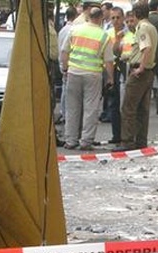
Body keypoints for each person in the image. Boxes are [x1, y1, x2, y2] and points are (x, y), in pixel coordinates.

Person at [61, 7, 114, 151]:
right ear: (100, 18)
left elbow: (64, 51)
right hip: (93, 75)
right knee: (91, 108)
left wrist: (65, 68)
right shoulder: (103, 36)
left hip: (74, 73)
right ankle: (86, 141)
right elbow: (109, 61)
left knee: (72, 107)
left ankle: (71, 140)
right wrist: (110, 78)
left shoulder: (75, 30)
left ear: (88, 16)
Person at [113, 2, 158, 153]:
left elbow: (146, 47)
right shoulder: (152, 27)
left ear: (137, 14)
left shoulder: (142, 28)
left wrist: (140, 67)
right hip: (149, 71)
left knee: (129, 107)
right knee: (142, 109)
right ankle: (141, 140)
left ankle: (127, 141)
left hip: (140, 71)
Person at [106, 6, 126, 144]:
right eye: (113, 18)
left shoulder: (129, 33)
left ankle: (125, 135)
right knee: (113, 104)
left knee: (124, 105)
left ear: (123, 18)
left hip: (124, 70)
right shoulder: (107, 33)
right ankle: (116, 135)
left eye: (118, 17)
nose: (115, 20)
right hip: (110, 70)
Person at [57, 6, 78, 124]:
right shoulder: (73, 30)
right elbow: (68, 50)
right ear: (75, 16)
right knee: (68, 91)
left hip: (62, 62)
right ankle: (66, 114)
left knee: (65, 89)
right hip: (70, 63)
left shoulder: (62, 30)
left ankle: (63, 112)